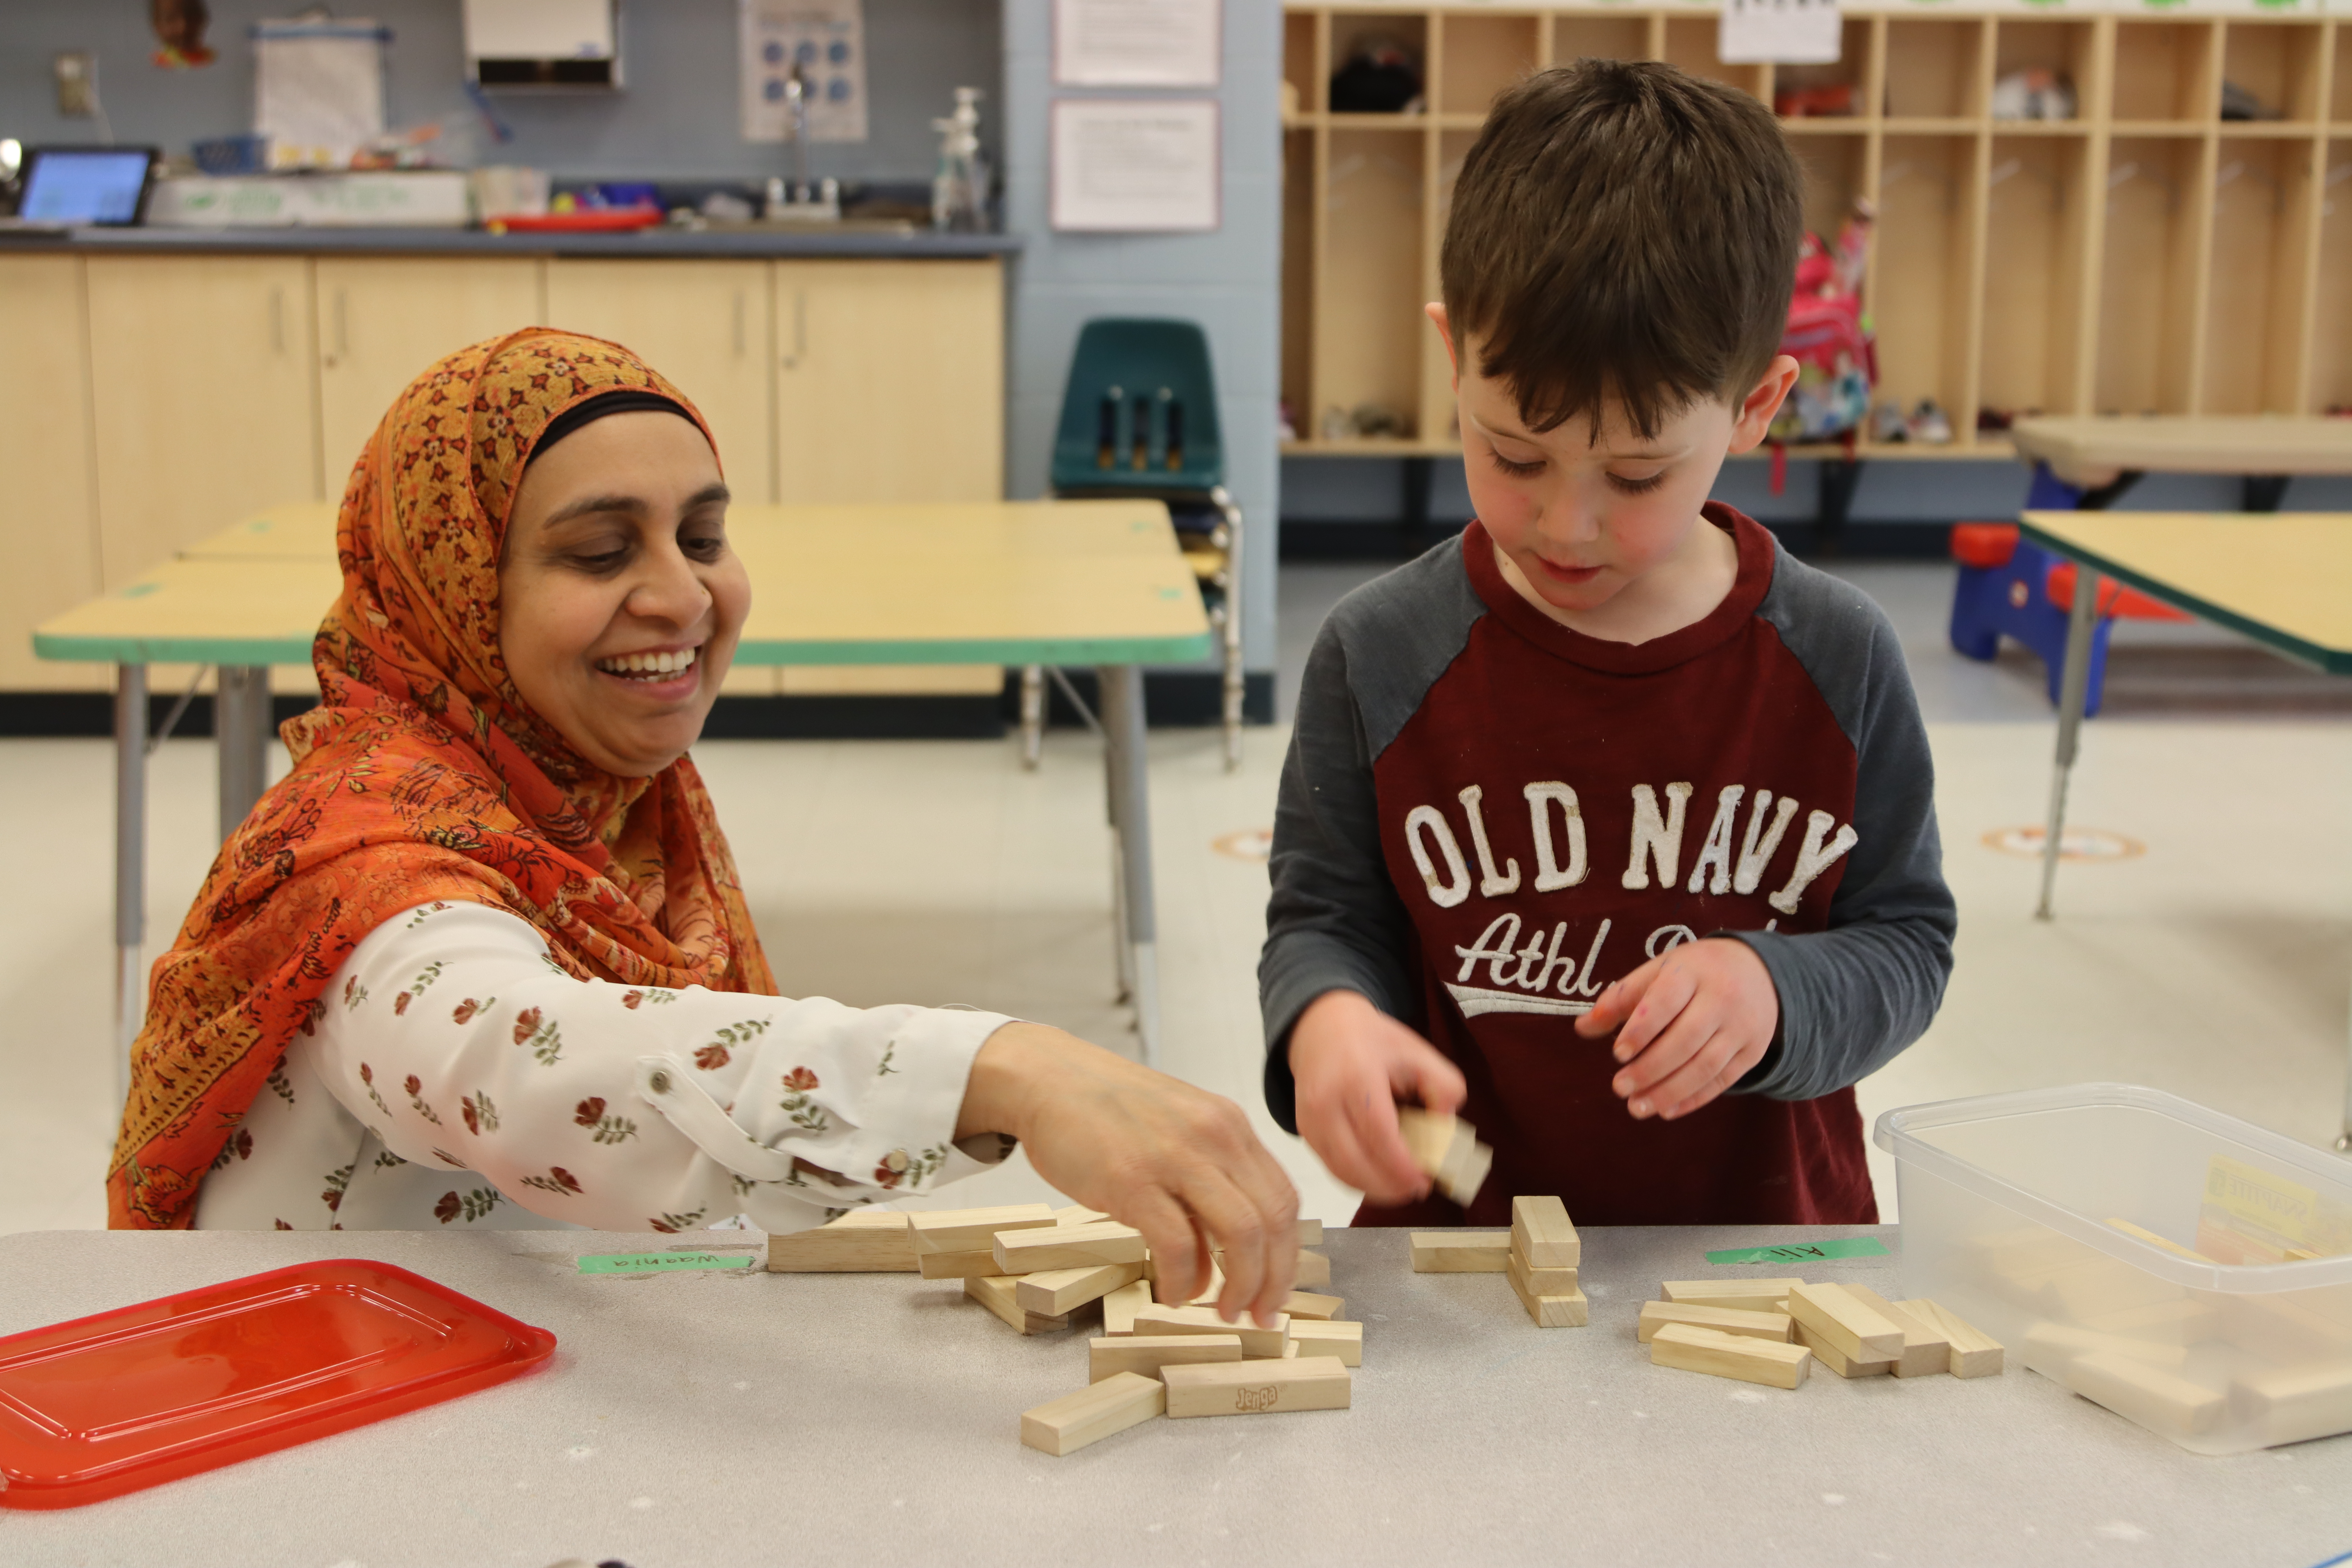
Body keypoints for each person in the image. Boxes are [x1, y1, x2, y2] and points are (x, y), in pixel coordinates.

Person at [110, 329, 1296, 1322]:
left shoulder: (591, 802)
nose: (684, 594)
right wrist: (1000, 1069)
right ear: (454, 585)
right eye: (598, 549)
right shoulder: (362, 866)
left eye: (705, 536)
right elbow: (525, 1065)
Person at [1259, 61, 1956, 1228]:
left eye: (1636, 475)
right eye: (1513, 454)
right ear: (1452, 355)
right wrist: (1327, 1019)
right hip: (1463, 1261)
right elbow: (1329, 920)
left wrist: (1776, 989)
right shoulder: (1379, 651)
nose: (1563, 522)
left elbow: (1908, 946)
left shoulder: (1838, 656)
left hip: (1763, 1254)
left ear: (1756, 407)